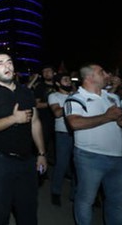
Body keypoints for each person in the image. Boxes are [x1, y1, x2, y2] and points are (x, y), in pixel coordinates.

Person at [0, 50, 47, 225]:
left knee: (28, 211)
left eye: (9, 62)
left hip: (26, 160)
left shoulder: (26, 92)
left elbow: (35, 122)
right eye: (0, 64)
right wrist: (14, 118)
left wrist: (42, 153)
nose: (7, 66)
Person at [64, 63, 122, 225]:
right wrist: (107, 117)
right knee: (86, 200)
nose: (107, 74)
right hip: (90, 157)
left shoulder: (113, 97)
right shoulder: (75, 98)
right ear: (89, 77)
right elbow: (75, 124)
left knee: (117, 204)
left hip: (118, 159)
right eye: (101, 72)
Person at [48, 73, 75, 206]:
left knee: (78, 166)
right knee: (62, 164)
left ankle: (75, 194)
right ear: (58, 83)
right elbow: (57, 113)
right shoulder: (54, 96)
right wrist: (73, 102)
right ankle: (56, 192)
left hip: (79, 133)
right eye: (65, 79)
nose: (69, 81)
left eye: (69, 79)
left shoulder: (76, 95)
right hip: (63, 133)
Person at [32, 65, 56, 165]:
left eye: (48, 70)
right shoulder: (40, 87)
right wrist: (53, 105)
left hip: (58, 121)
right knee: (43, 145)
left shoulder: (59, 85)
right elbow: (36, 104)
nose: (46, 73)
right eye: (44, 71)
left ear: (53, 72)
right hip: (44, 120)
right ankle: (41, 169)